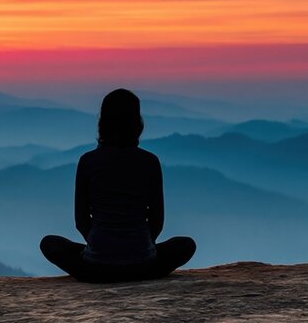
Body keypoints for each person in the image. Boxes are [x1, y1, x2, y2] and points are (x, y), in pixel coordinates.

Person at [40, 88, 196, 283]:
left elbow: (81, 221)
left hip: (96, 268)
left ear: (103, 122)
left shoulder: (88, 162)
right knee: (185, 245)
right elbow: (157, 220)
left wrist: (101, 250)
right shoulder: (149, 162)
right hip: (143, 266)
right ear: (137, 124)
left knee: (50, 244)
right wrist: (141, 249)